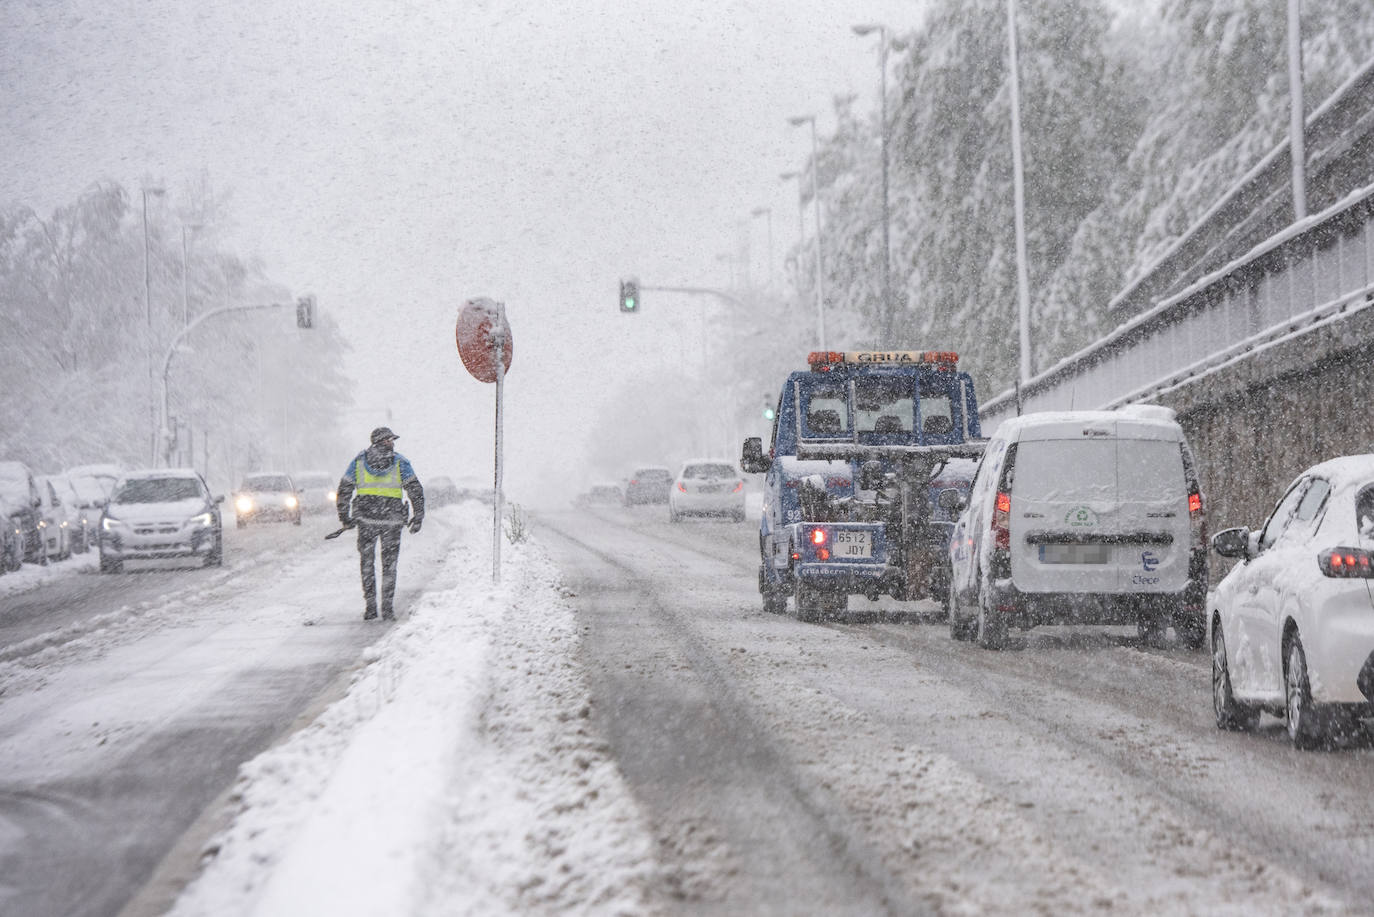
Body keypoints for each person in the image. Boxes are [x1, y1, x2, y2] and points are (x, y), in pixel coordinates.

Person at [336, 427, 424, 620]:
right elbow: (415, 489)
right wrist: (418, 516)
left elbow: (344, 488)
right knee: (389, 565)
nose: (393, 443)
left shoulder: (358, 462)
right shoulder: (400, 462)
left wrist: (345, 516)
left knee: (367, 563)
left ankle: (370, 607)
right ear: (384, 441)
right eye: (391, 440)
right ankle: (387, 608)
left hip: (366, 521)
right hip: (392, 522)